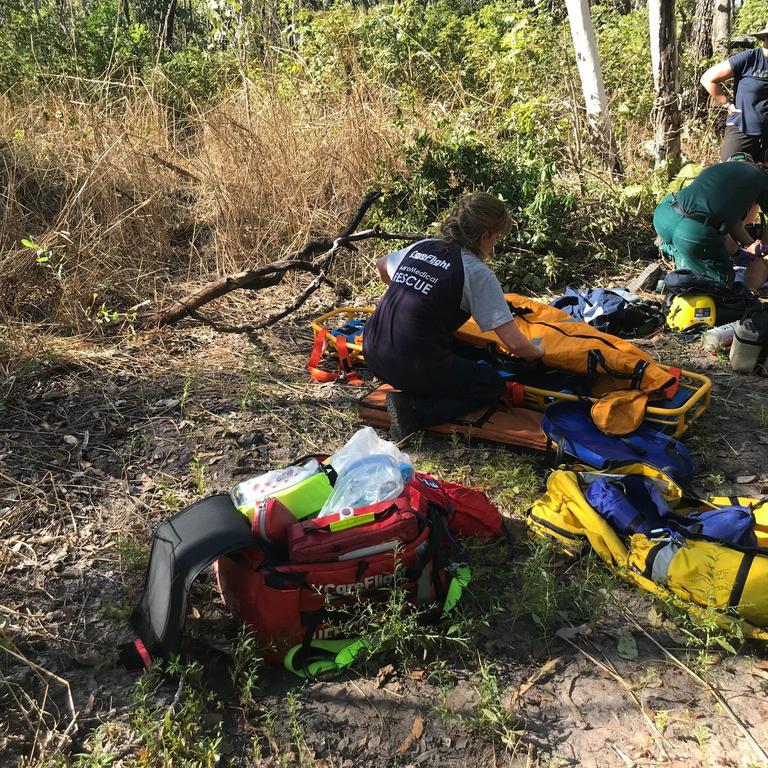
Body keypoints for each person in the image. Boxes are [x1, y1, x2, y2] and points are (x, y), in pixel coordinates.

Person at [362, 192, 544, 439]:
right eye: (497, 237)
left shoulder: (422, 247)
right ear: (485, 236)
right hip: (410, 363)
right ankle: (413, 411)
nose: (496, 244)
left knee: (457, 357)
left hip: (372, 349)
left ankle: (419, 386)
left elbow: (382, 265)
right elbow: (513, 342)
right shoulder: (476, 273)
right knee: (490, 383)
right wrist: (538, 353)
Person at [652, 153, 768, 292]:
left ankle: (672, 280)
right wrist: (762, 246)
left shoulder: (721, 172)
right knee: (721, 286)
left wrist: (743, 250)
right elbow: (710, 227)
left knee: (687, 254)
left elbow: (732, 225)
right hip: (691, 230)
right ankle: (681, 287)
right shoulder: (762, 178)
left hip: (665, 214)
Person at [701, 25, 768, 162]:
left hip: (766, 136)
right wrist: (727, 104)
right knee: (728, 176)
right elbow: (708, 79)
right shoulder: (751, 58)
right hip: (742, 130)